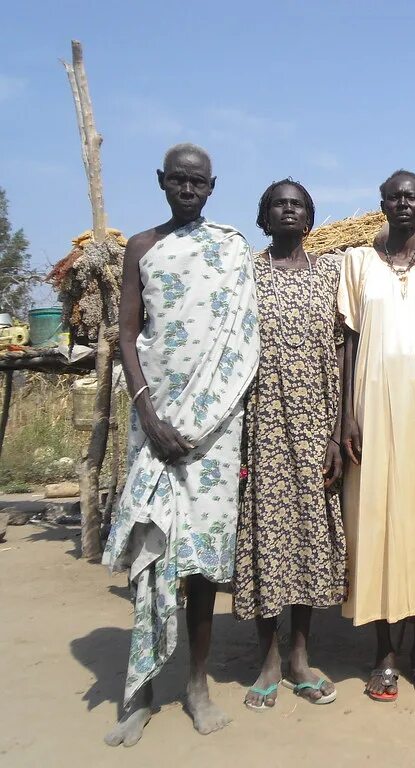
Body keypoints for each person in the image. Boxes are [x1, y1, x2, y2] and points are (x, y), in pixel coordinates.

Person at [103, 143, 260, 746]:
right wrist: (148, 410)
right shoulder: (142, 246)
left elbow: (243, 337)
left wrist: (199, 421)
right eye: (179, 179)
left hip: (214, 427)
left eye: (199, 181)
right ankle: (138, 689)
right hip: (155, 420)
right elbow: (125, 332)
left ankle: (196, 683)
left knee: (200, 563)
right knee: (151, 546)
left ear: (213, 186)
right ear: (162, 181)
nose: (189, 188)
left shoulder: (231, 248)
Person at [339, 170, 415, 701]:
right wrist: (346, 415)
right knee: (377, 521)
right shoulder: (357, 263)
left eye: (413, 196)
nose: (403, 203)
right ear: (382, 203)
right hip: (372, 409)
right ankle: (383, 653)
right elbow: (347, 344)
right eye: (394, 196)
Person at [232, 179, 347, 710]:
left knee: (307, 539)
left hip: (315, 425)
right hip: (262, 425)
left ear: (309, 216)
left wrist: (335, 432)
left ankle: (300, 656)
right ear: (264, 216)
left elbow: (342, 353)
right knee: (263, 539)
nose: (288, 210)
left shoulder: (329, 273)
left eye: (297, 204)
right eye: (278, 203)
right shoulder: (247, 274)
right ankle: (268, 661)